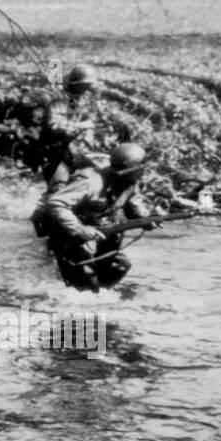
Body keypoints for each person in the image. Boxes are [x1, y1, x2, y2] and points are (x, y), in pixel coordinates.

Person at [33, 142, 155, 292]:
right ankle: (84, 290)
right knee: (86, 284)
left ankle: (99, 291)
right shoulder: (92, 181)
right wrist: (79, 229)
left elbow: (132, 201)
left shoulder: (129, 181)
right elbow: (55, 203)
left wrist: (145, 218)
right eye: (139, 171)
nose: (141, 175)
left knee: (119, 266)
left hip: (94, 227)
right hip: (64, 230)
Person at [38, 63, 101, 189]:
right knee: (58, 185)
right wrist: (80, 125)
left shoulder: (85, 100)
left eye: (89, 86)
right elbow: (54, 125)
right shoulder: (59, 101)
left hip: (73, 148)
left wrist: (86, 138)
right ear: (77, 85)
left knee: (94, 175)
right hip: (54, 149)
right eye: (85, 86)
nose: (87, 90)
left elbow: (91, 122)